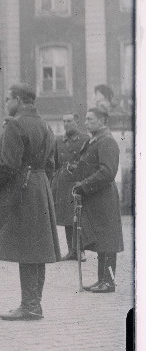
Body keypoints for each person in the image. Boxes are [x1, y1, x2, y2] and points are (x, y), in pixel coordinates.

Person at [0, 84, 60, 321]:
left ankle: (29, 306)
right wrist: (40, 181)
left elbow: (7, 164)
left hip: (22, 189)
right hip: (40, 186)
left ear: (18, 99)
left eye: (8, 99)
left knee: (27, 247)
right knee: (37, 248)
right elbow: (52, 165)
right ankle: (34, 304)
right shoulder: (46, 125)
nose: (6, 104)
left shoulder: (15, 125)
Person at [73, 107, 124, 293]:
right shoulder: (94, 140)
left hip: (104, 197)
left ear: (102, 120)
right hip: (96, 197)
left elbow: (108, 172)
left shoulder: (107, 141)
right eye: (86, 119)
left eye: (90, 119)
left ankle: (108, 282)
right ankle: (101, 279)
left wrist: (84, 184)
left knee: (107, 239)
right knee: (102, 239)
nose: (85, 122)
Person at [51, 113, 90, 261]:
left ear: (76, 122)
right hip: (63, 182)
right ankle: (71, 250)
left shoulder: (85, 139)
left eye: (69, 121)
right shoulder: (59, 141)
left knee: (79, 216)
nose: (66, 124)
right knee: (68, 217)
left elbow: (88, 161)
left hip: (78, 180)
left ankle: (81, 250)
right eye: (64, 121)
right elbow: (54, 162)